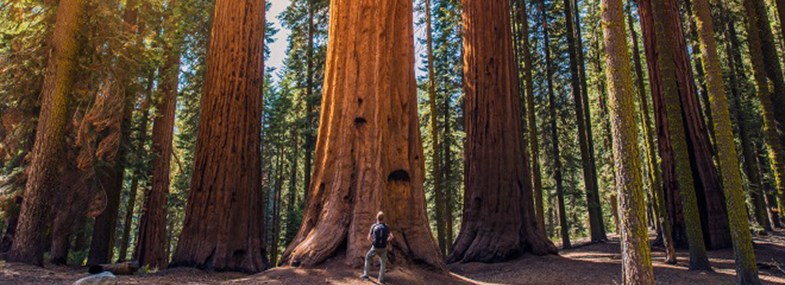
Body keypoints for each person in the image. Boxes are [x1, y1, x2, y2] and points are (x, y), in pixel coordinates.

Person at [361, 211, 394, 284]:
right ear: (383, 218)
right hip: (384, 247)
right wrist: (387, 241)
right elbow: (391, 236)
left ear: (377, 218)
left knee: (368, 258)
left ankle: (366, 275)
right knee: (383, 262)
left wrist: (373, 243)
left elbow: (369, 237)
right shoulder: (386, 226)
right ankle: (381, 279)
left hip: (375, 247)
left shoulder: (374, 226)